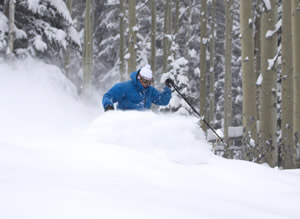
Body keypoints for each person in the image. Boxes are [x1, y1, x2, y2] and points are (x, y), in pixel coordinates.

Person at [102, 64, 174, 111]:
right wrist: (108, 106)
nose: (147, 84)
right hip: (125, 123)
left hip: (141, 126)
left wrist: (167, 88)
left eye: (149, 82)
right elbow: (108, 96)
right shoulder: (125, 87)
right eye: (145, 81)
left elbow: (162, 101)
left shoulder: (150, 91)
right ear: (139, 77)